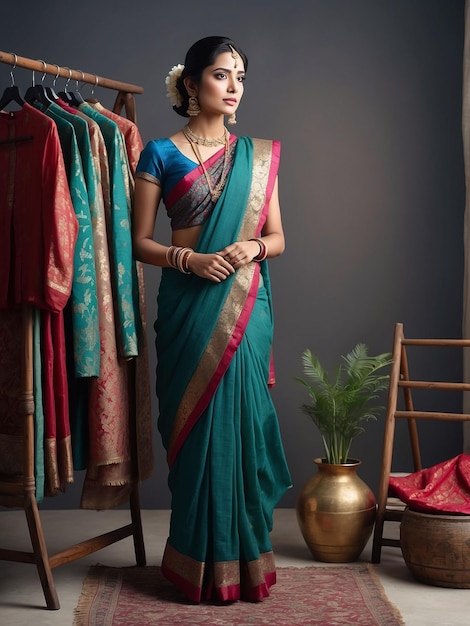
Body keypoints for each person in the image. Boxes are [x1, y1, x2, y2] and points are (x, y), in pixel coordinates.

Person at [132, 35, 292, 603]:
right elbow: (138, 243)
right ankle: (193, 566)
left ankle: (246, 566)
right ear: (191, 82)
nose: (234, 88)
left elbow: (277, 237)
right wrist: (190, 260)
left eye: (241, 78)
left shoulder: (259, 156)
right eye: (222, 76)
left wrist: (252, 250)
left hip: (244, 309)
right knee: (199, 436)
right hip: (188, 307)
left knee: (242, 428)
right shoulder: (159, 152)